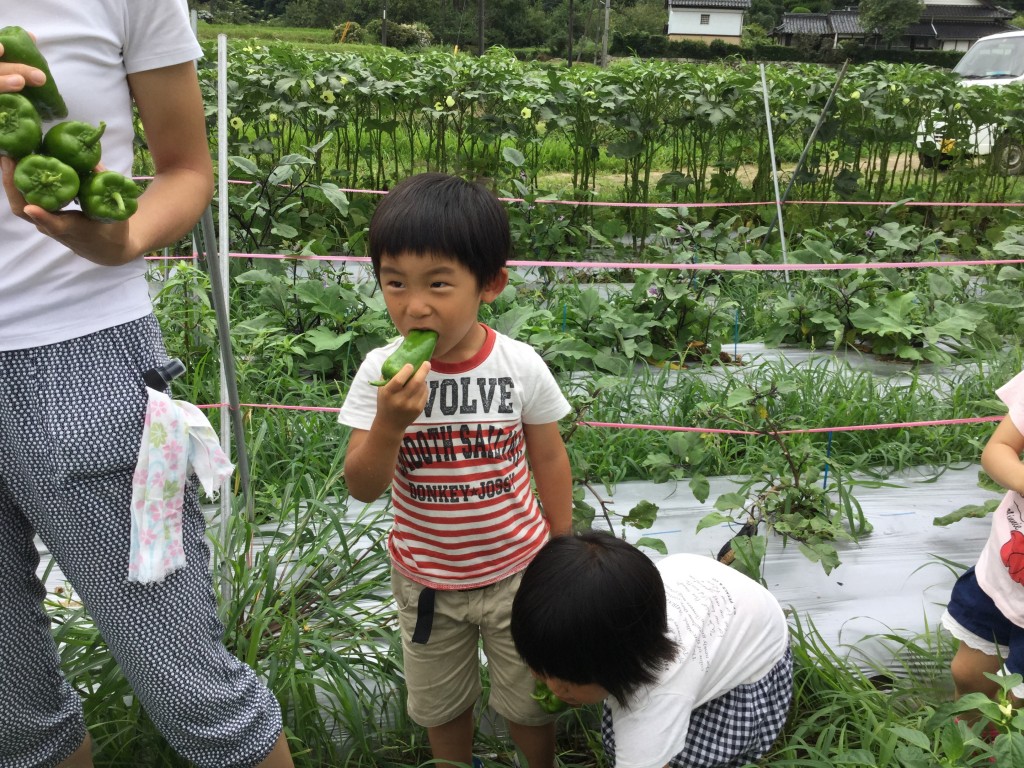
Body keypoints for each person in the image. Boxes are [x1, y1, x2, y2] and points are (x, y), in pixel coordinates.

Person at [0, 4, 293, 767]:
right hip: (68, 366)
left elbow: (187, 169)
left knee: (194, 693)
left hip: (80, 359)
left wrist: (122, 237)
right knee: (10, 714)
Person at [337, 172, 574, 768]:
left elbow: (548, 456)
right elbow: (362, 488)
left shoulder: (518, 365)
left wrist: (562, 549)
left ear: (489, 284)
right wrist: (389, 424)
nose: (414, 305)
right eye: (395, 283)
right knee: (441, 707)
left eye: (438, 284)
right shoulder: (378, 372)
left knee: (529, 704)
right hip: (426, 584)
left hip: (519, 571)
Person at [511, 532, 794, 768]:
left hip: (757, 660)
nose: (552, 688)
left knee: (686, 755)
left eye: (566, 684)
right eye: (539, 669)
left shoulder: (653, 701)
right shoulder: (628, 603)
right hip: (727, 605)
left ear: (616, 670)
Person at [943, 369, 1024, 710]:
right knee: (968, 674)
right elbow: (999, 448)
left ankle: (1001, 753)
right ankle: (965, 750)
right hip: (1000, 574)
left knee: (1015, 703)